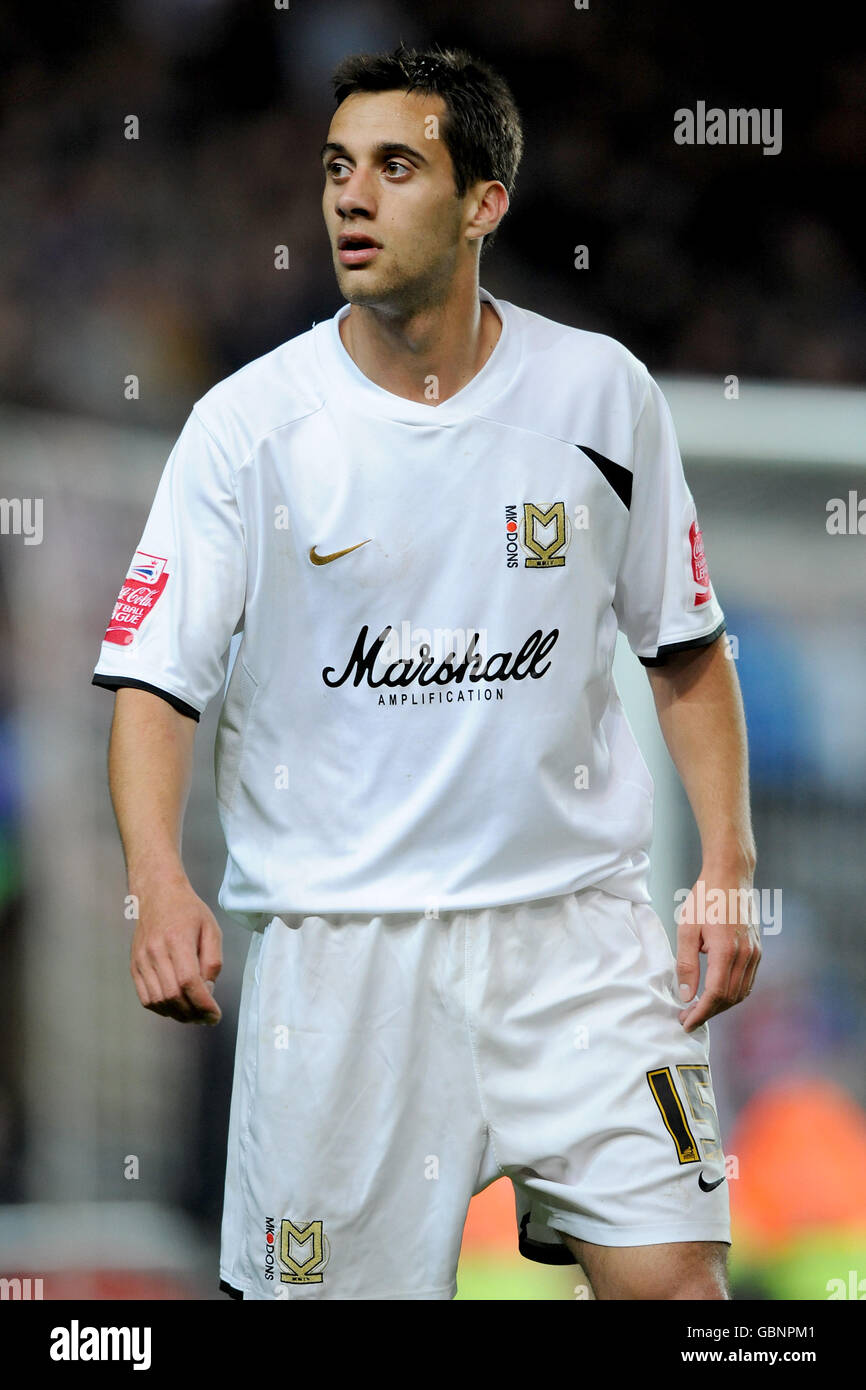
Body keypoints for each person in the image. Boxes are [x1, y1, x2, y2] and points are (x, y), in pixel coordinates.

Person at [92, 42, 760, 1301]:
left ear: (482, 203)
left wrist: (726, 865)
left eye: (396, 167)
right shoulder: (248, 428)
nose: (351, 196)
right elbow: (153, 681)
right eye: (337, 168)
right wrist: (156, 878)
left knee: (678, 1291)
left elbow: (683, 648)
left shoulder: (599, 397)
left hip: (579, 941)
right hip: (345, 957)